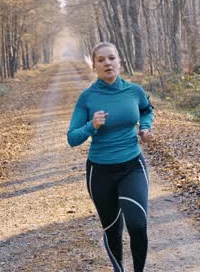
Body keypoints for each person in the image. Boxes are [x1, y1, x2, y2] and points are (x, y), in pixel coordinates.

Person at [67, 42, 154, 272]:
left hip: (132, 166)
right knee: (113, 229)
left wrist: (145, 128)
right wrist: (91, 126)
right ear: (94, 66)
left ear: (119, 62)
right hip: (100, 172)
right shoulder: (87, 98)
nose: (107, 63)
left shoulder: (134, 91)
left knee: (137, 224)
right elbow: (72, 138)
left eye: (112, 58)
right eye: (101, 60)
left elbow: (147, 109)